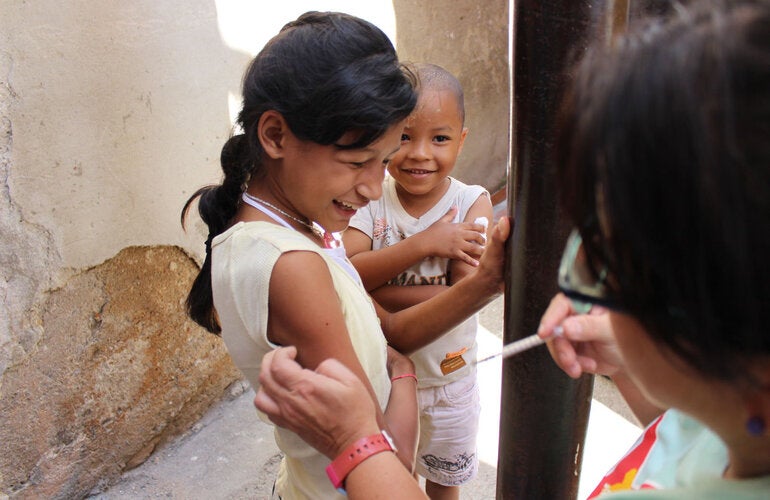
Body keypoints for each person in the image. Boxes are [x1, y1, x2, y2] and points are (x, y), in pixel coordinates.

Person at [253, 1, 770, 498]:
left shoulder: (463, 205)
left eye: (604, 256)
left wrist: (355, 445)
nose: (580, 274)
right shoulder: (731, 431)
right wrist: (631, 367)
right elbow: (683, 435)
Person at [180, 11, 508, 499]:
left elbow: (389, 334)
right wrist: (401, 377)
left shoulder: (300, 231)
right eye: (358, 162)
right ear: (274, 135)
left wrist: (484, 283)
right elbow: (383, 458)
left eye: (383, 162)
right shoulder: (290, 266)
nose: (375, 188)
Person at [343, 63, 492, 500]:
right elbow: (347, 271)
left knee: (445, 481)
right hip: (384, 376)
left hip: (451, 379)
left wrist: (377, 287)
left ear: (461, 141)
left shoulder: (471, 202)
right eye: (405, 137)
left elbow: (467, 293)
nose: (420, 154)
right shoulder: (372, 199)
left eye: (439, 138)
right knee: (393, 476)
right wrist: (426, 243)